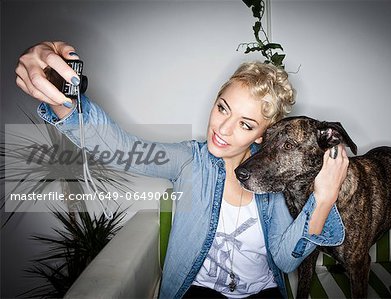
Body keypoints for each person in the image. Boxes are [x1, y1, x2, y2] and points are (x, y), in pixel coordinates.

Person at [15, 41, 349, 299]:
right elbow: (121, 149)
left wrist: (324, 199)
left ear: (263, 134)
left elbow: (286, 260)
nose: (223, 128)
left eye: (245, 124)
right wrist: (61, 97)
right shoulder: (189, 160)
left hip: (262, 293)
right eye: (222, 108)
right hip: (197, 291)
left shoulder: (275, 183)